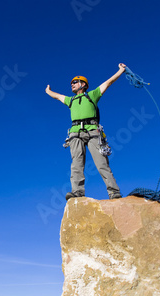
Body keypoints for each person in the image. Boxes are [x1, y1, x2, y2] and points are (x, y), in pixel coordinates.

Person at [45, 63, 127, 201]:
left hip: (93, 132)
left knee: (102, 163)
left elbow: (109, 82)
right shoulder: (70, 100)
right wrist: (48, 91)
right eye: (72, 83)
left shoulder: (92, 95)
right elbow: (57, 96)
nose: (72, 84)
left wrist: (121, 70)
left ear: (84, 85)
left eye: (75, 82)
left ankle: (114, 192)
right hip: (75, 134)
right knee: (76, 164)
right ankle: (77, 192)